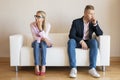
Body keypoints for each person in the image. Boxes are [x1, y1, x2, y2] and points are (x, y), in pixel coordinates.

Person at [68, 5, 103, 78]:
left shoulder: (93, 23)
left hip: (88, 42)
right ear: (85, 13)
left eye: (93, 14)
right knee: (71, 41)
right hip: (77, 42)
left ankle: (92, 68)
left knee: (94, 42)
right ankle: (73, 68)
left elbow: (100, 34)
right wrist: (81, 41)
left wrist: (95, 24)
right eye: (90, 13)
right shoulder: (76, 22)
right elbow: (71, 35)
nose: (92, 16)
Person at [30, 10, 52, 76]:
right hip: (36, 42)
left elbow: (45, 36)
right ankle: (36, 66)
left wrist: (40, 28)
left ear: (43, 18)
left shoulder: (48, 25)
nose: (36, 18)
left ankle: (43, 66)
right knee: (37, 43)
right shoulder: (32, 25)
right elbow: (34, 37)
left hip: (45, 43)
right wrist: (44, 39)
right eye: (35, 16)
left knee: (43, 43)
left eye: (38, 16)